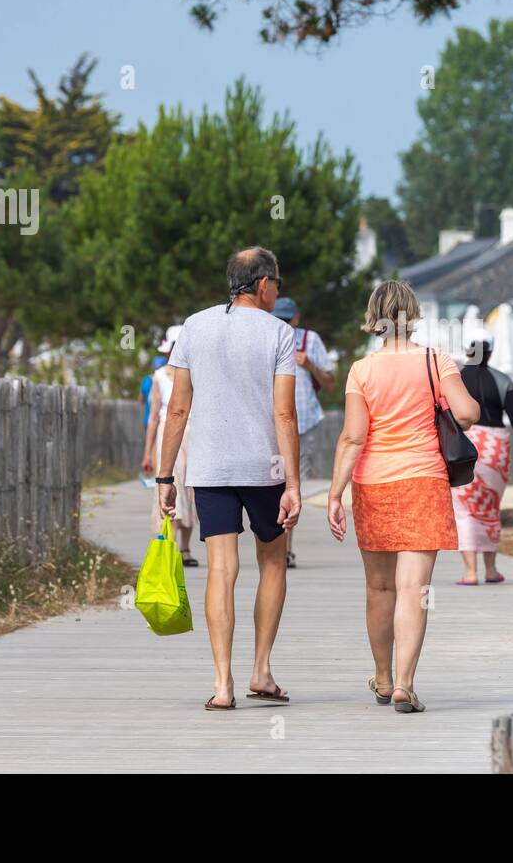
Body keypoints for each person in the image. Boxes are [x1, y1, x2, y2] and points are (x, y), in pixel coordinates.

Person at [157, 246, 302, 711]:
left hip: (210, 468)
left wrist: (165, 476)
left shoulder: (193, 327)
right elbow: (285, 413)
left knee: (222, 568)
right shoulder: (279, 333)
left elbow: (177, 408)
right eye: (277, 283)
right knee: (273, 563)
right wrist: (294, 483)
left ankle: (223, 685)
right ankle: (262, 669)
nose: (279, 292)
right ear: (263, 284)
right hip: (266, 469)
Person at [327, 281, 479, 713]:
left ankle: (382, 676)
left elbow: (353, 437)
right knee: (414, 589)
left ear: (373, 317)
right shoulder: (436, 360)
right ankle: (405, 685)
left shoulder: (361, 370)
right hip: (423, 481)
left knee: (379, 587)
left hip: (374, 485)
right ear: (413, 314)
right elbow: (468, 414)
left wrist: (335, 494)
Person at [451, 334, 513, 585]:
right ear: (490, 352)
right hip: (496, 447)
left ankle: (470, 572)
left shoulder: (454, 380)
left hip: (463, 444)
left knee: (464, 509)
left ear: (467, 351)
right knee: (490, 507)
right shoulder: (502, 380)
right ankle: (491, 570)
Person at [271, 296, 336, 569]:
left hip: (303, 423)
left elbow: (331, 383)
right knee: (273, 485)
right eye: (279, 319)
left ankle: (285, 547)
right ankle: (276, 545)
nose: (284, 324)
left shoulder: (310, 341)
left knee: (291, 486)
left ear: (296, 318)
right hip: (270, 422)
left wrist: (309, 364)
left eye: (287, 319)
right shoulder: (266, 337)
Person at [142, 326, 196, 566]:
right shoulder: (159, 376)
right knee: (167, 484)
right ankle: (169, 545)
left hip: (193, 433)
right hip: (167, 434)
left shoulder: (197, 374)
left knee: (190, 488)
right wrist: (148, 452)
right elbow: (153, 416)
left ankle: (185, 547)